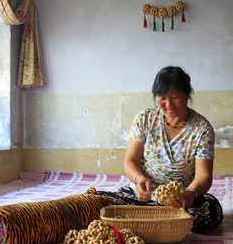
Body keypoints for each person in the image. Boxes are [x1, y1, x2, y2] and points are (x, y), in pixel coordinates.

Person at [95, 65, 223, 233]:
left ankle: (143, 218)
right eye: (162, 97)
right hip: (142, 197)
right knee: (95, 201)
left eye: (175, 97)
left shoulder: (202, 129)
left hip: (180, 202)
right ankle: (166, 221)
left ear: (187, 95)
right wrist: (139, 179)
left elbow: (204, 176)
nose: (168, 104)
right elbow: (130, 161)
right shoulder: (144, 119)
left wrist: (191, 193)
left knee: (212, 211)